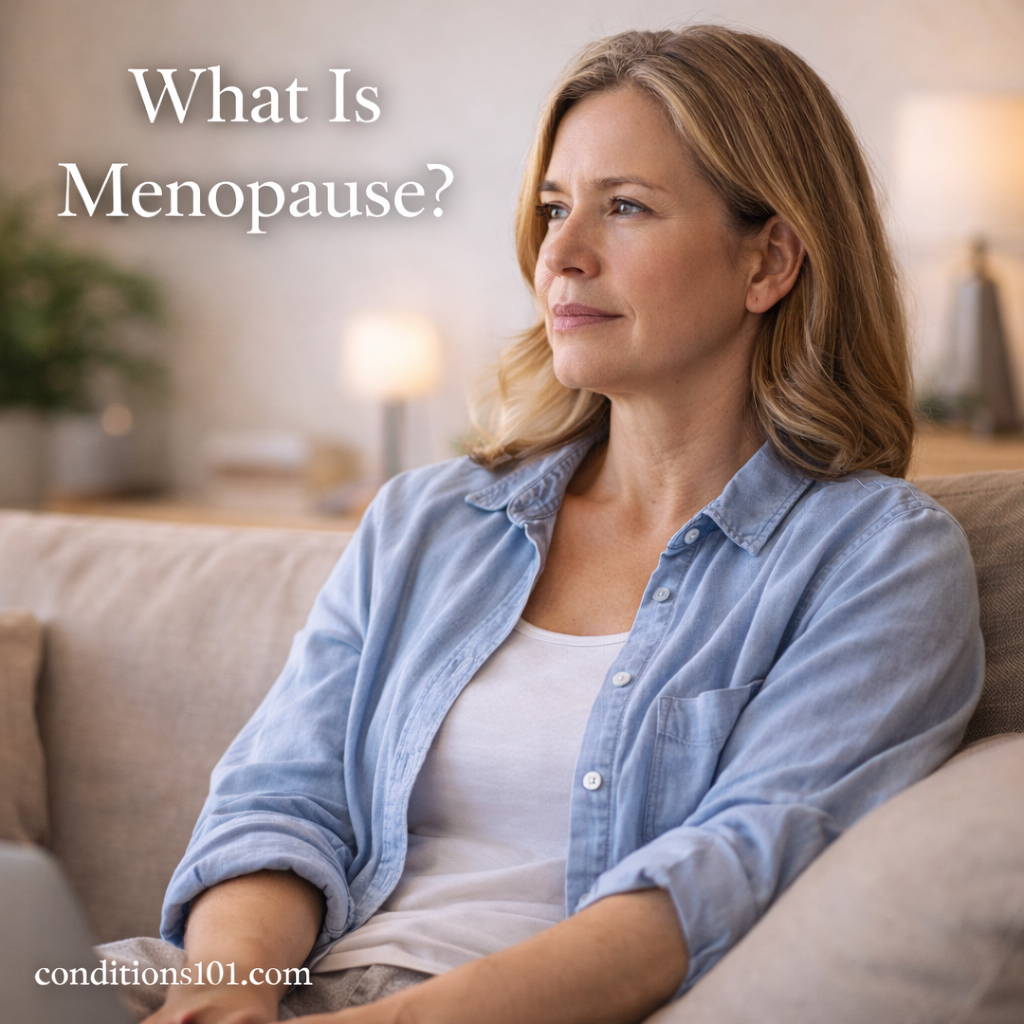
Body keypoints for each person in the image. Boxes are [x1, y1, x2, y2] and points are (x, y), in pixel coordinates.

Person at [125, 24, 983, 1024]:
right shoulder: (427, 519)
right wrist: (218, 998)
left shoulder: (875, 558)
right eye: (551, 207)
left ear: (770, 261)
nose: (560, 256)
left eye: (624, 207)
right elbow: (281, 800)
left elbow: (719, 881)